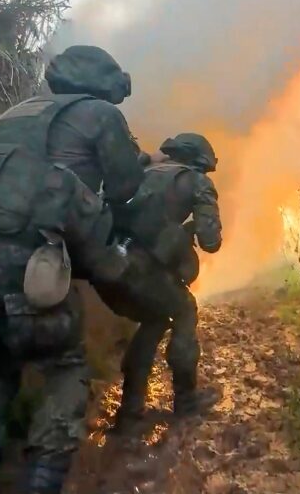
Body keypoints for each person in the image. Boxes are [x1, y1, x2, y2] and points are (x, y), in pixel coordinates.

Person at [0, 45, 147, 494]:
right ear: (104, 84)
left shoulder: (18, 113)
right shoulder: (101, 113)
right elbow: (126, 188)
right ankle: (42, 480)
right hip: (16, 260)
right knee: (65, 367)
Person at [92, 133, 223, 430]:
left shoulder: (141, 172)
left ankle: (130, 410)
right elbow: (211, 242)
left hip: (107, 272)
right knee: (184, 309)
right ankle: (186, 401)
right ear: (199, 161)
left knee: (155, 318)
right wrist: (189, 229)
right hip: (141, 274)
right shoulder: (197, 181)